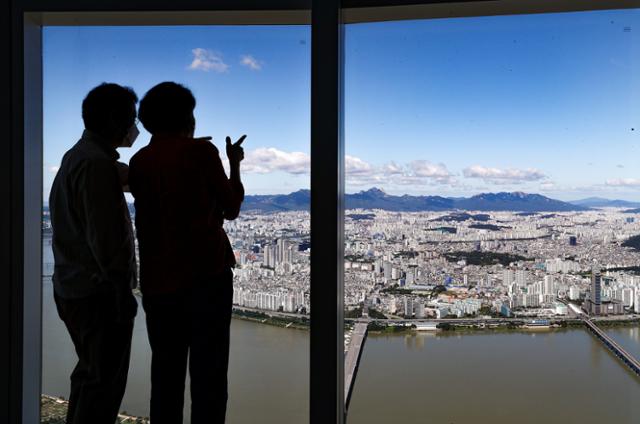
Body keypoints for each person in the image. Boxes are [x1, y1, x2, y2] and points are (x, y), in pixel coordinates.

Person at [128, 81, 245, 424]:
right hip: (205, 280)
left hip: (157, 283)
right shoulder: (200, 153)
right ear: (185, 118)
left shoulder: (139, 161)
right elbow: (232, 206)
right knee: (209, 377)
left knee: (165, 376)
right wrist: (233, 163)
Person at [49, 83, 139, 424]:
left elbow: (130, 178)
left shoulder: (79, 156)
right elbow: (106, 239)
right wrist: (122, 293)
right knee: (104, 387)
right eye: (131, 118)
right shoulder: (95, 164)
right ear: (115, 119)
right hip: (98, 294)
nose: (135, 127)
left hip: (75, 289)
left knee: (89, 378)